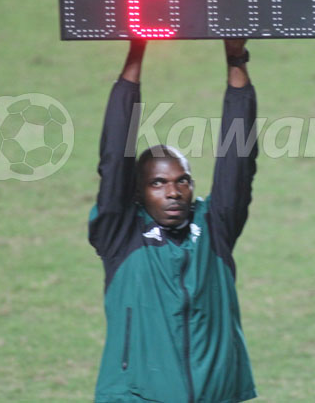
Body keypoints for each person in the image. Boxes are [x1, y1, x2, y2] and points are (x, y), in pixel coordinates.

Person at [88, 38, 258, 402]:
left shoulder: (215, 227)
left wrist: (236, 59)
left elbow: (238, 159)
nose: (173, 192)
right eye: (158, 183)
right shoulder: (120, 235)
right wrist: (136, 53)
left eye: (183, 181)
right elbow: (115, 157)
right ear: (139, 193)